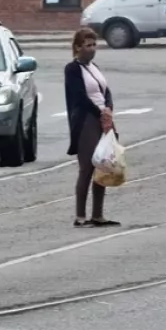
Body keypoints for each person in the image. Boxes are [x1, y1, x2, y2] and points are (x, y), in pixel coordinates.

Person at [64, 28, 119, 227]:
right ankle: (80, 216)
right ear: (78, 47)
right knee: (87, 166)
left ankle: (98, 214)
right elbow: (80, 97)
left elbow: (106, 91)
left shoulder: (94, 67)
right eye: (88, 46)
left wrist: (109, 109)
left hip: (103, 119)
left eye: (94, 45)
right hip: (86, 120)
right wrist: (100, 112)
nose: (92, 49)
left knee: (103, 165)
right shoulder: (72, 69)